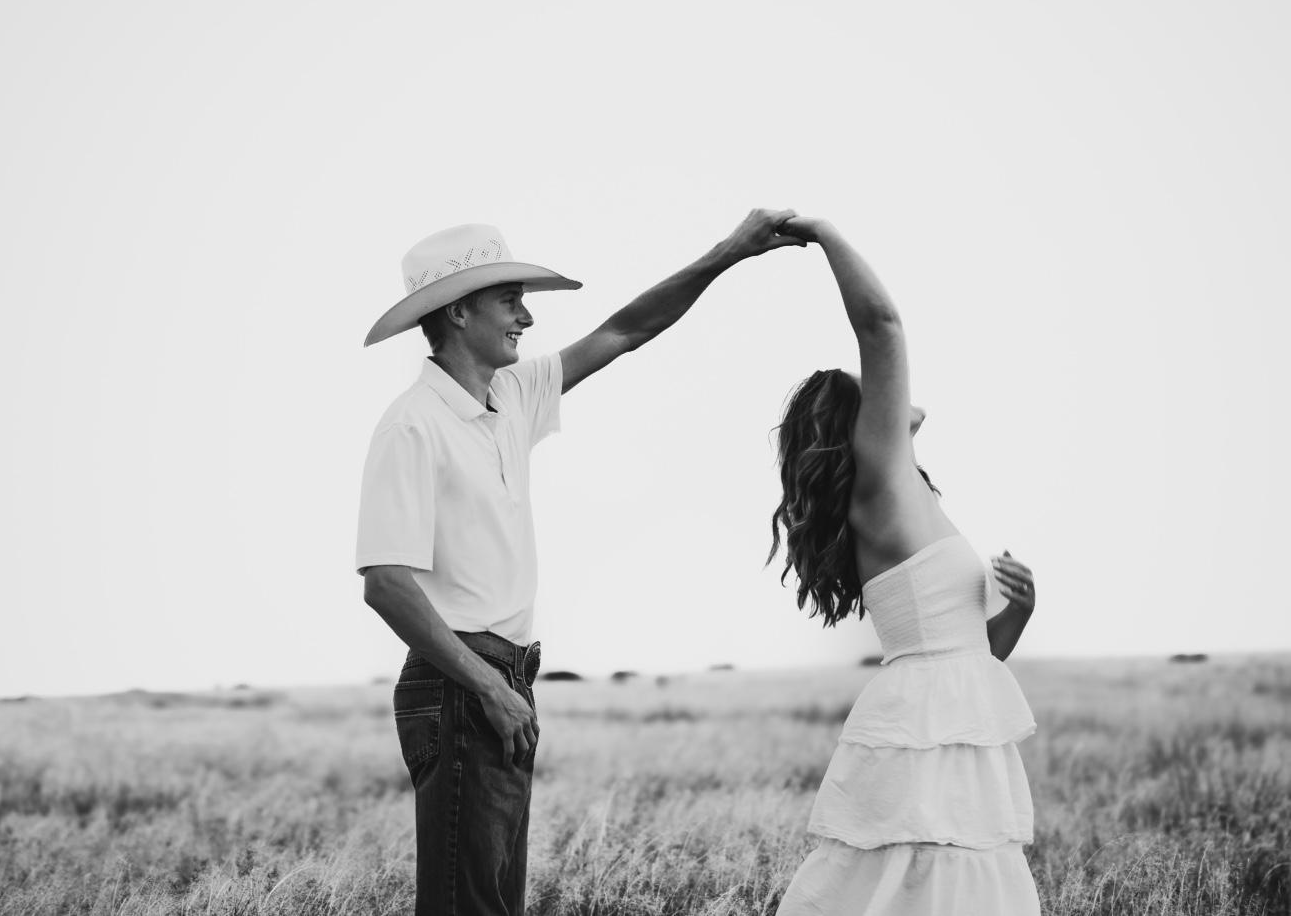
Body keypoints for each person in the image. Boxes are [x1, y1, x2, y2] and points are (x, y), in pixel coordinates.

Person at [356, 211, 805, 916]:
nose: (527, 317)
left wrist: (730, 253)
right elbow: (386, 584)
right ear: (459, 311)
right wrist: (488, 686)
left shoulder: (512, 396)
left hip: (503, 680)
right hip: (461, 683)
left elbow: (626, 331)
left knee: (493, 904)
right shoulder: (412, 425)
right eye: (511, 300)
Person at [768, 215, 1041, 915]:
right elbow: (882, 326)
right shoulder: (881, 480)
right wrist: (822, 232)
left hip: (944, 715)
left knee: (939, 880)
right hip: (921, 721)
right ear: (862, 426)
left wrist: (1019, 613)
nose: (886, 389)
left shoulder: (907, 494)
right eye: (869, 388)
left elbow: (973, 657)